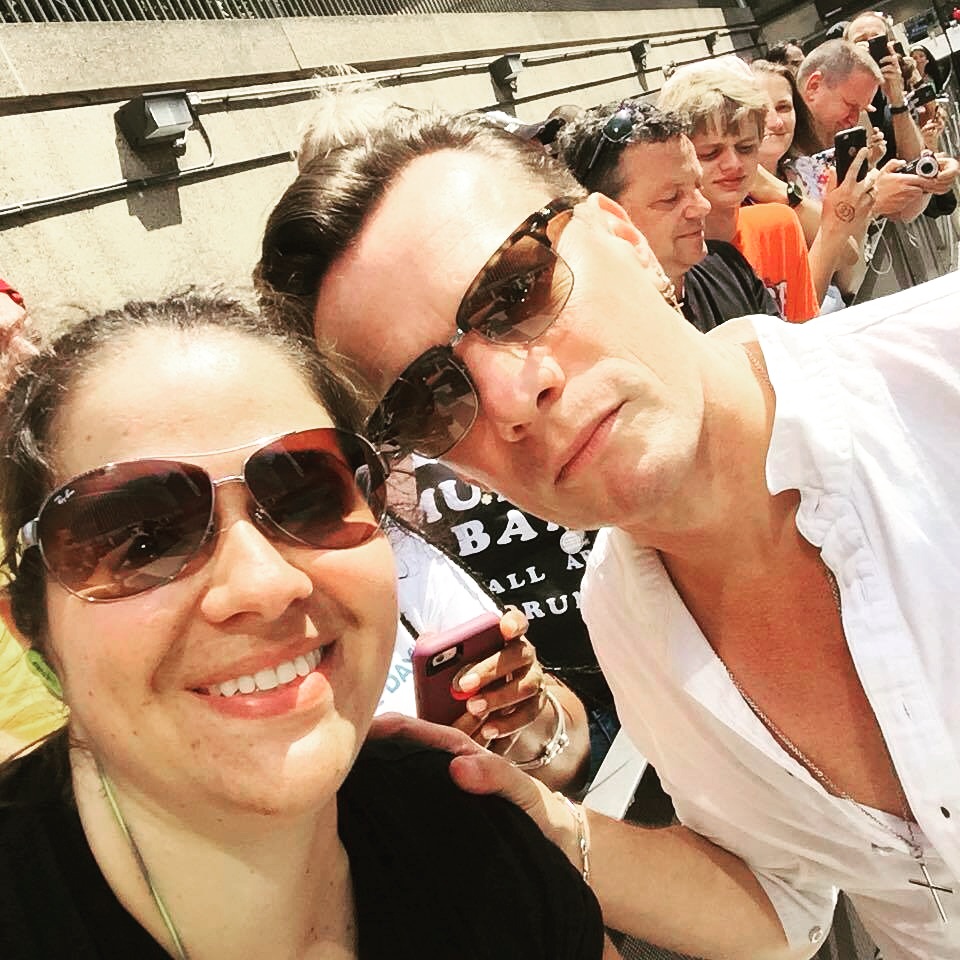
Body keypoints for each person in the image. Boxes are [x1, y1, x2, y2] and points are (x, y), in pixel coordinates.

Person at [257, 98, 960, 960]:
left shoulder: (940, 367)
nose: (513, 398)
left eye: (517, 290)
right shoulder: (629, 621)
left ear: (624, 238)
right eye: (429, 396)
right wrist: (546, 824)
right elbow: (782, 901)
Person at [0, 294, 608, 959]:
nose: (265, 585)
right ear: (31, 629)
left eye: (309, 498)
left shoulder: (476, 836)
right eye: (142, 543)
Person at [555, 97, 780, 332]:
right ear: (607, 214)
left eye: (697, 186)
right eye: (671, 197)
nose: (702, 206)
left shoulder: (730, 270)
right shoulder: (590, 331)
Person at [657, 58, 821, 319]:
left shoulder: (779, 225)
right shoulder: (667, 257)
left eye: (745, 148)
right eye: (711, 153)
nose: (733, 164)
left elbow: (804, 330)